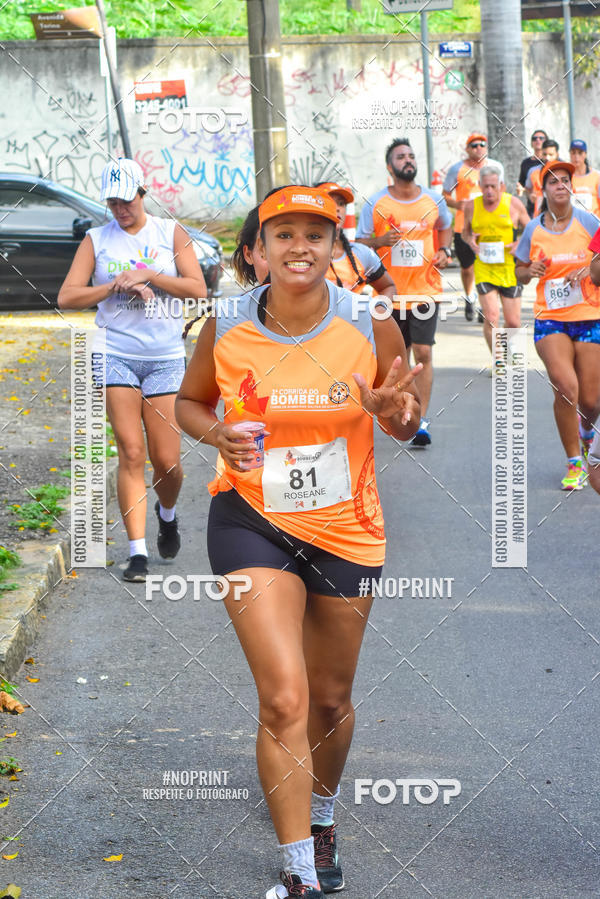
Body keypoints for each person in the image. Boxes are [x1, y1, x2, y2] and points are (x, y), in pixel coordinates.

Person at [175, 186, 421, 897]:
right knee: (284, 697)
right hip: (251, 519)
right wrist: (215, 431)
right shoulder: (224, 326)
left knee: (330, 698)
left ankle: (321, 815)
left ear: (335, 249)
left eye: (316, 233)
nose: (300, 246)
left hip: (346, 526)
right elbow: (191, 403)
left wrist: (392, 412)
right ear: (256, 251)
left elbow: (404, 416)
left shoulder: (369, 321)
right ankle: (299, 873)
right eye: (283, 233)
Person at [58, 157, 207, 581]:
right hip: (114, 351)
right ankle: (137, 553)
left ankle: (168, 512)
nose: (121, 209)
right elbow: (67, 297)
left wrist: (151, 274)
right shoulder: (96, 239)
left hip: (164, 357)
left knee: (167, 461)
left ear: (143, 194)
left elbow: (197, 289)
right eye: (113, 202)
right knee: (131, 450)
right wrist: (114, 285)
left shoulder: (169, 232)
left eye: (127, 200)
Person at [356, 138, 453, 447]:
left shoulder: (434, 200)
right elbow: (358, 243)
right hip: (391, 294)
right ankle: (403, 414)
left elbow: (446, 228)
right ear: (390, 167)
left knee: (423, 352)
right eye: (401, 157)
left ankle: (420, 418)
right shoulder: (376, 203)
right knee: (400, 358)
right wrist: (380, 241)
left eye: (411, 156)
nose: (407, 160)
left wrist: (445, 250)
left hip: (426, 291)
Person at [514, 160, 600, 490]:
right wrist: (530, 269)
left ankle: (587, 431)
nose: (560, 185)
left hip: (590, 315)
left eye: (565, 180)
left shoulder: (588, 222)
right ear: (543, 189)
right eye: (553, 181)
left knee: (591, 401)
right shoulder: (533, 229)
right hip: (550, 317)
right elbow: (519, 271)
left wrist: (590, 267)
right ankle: (574, 461)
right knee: (566, 387)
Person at [462, 164, 530, 355]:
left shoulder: (514, 204)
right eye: (485, 187)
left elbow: (532, 231)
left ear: (501, 185)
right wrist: (470, 241)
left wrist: (519, 244)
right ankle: (498, 360)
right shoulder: (471, 206)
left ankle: (509, 351)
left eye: (493, 186)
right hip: (484, 268)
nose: (489, 191)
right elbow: (464, 234)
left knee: (513, 321)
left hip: (510, 268)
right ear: (480, 186)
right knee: (491, 316)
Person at [442, 133, 505, 320]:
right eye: (474, 145)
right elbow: (445, 195)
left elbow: (503, 193)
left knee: (487, 266)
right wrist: (458, 205)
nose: (479, 148)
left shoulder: (496, 167)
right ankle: (470, 297)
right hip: (464, 227)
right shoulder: (457, 169)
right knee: (468, 268)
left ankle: (485, 305)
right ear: (467, 149)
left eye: (482, 144)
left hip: (489, 227)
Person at [314, 182, 396, 300]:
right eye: (330, 201)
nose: (337, 208)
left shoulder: (361, 253)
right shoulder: (303, 253)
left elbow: (388, 287)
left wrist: (376, 310)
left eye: (341, 204)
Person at [525, 139, 559, 217]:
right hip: (539, 217)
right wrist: (530, 196)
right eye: (544, 154)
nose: (547, 157)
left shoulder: (564, 172)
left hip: (560, 217)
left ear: (557, 154)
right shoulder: (533, 172)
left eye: (551, 155)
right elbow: (527, 189)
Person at [517, 129, 548, 216]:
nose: (538, 140)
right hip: (533, 208)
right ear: (531, 143)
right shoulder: (526, 163)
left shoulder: (552, 161)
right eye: (535, 138)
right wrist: (529, 194)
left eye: (541, 138)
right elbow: (523, 186)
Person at [569, 139, 600, 218]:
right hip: (573, 223)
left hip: (594, 223)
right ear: (570, 154)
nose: (576, 157)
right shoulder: (566, 177)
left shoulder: (597, 176)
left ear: (585, 154)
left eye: (580, 153)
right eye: (573, 153)